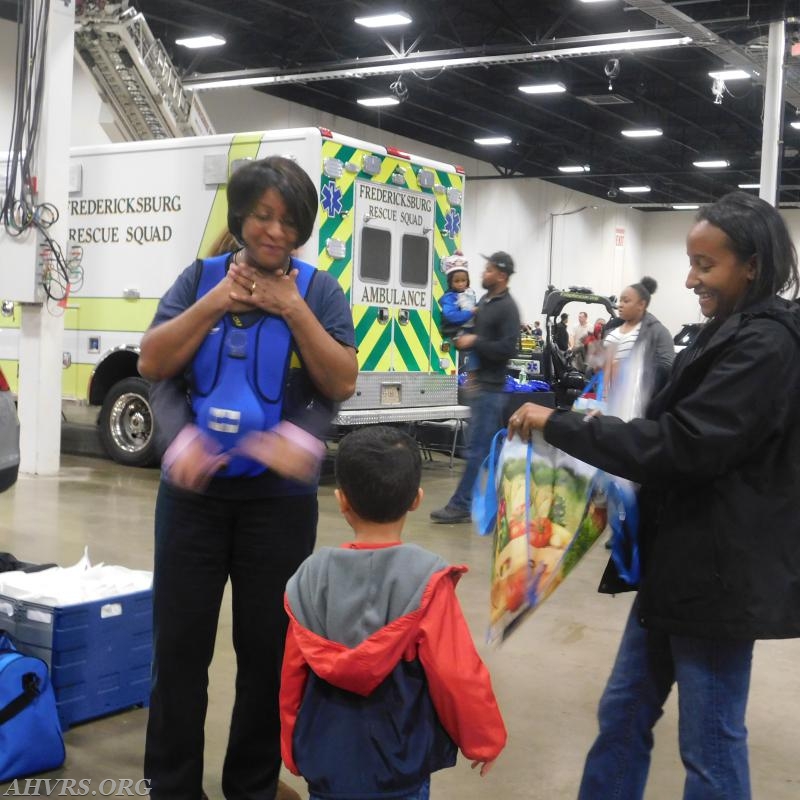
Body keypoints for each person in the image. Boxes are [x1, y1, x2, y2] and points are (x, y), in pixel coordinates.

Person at [508, 191, 800, 800]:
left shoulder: (766, 346)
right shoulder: (725, 332)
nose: (690, 278)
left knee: (711, 745)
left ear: (752, 265)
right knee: (623, 715)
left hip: (716, 581)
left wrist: (564, 425)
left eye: (706, 265)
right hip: (678, 569)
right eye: (691, 262)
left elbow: (685, 446)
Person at [138, 155, 358, 800]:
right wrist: (216, 301)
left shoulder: (319, 292)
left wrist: (292, 310)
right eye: (262, 215)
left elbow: (338, 382)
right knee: (178, 651)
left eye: (289, 221)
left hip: (278, 507)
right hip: (193, 501)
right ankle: (171, 786)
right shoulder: (198, 277)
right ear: (240, 217)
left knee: (267, 656)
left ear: (303, 230)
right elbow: (156, 365)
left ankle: (252, 786)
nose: (274, 231)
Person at [279, 426, 507, 799]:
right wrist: (484, 739)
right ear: (416, 499)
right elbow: (456, 672)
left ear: (342, 501)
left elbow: (292, 675)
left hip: (327, 760)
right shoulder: (426, 579)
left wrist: (292, 744)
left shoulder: (310, 578)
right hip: (400, 764)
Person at [430, 251, 520, 523]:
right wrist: (471, 370)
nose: (483, 274)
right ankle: (511, 503)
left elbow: (506, 349)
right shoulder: (485, 302)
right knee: (486, 450)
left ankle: (461, 505)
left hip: (491, 389)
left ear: (502, 275)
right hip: (479, 384)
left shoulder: (507, 308)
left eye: (489, 270)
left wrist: (474, 342)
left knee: (478, 450)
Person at [602, 276, 674, 393]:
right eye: (621, 300)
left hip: (636, 399)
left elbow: (666, 367)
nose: (620, 305)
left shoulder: (658, 331)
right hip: (606, 397)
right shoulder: (612, 327)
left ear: (641, 304)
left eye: (626, 301)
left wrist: (627, 370)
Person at [439, 251, 478, 372]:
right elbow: (451, 316)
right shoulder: (449, 297)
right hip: (457, 334)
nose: (461, 284)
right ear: (450, 282)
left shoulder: (469, 293)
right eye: (457, 281)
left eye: (464, 280)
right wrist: (471, 312)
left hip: (469, 331)